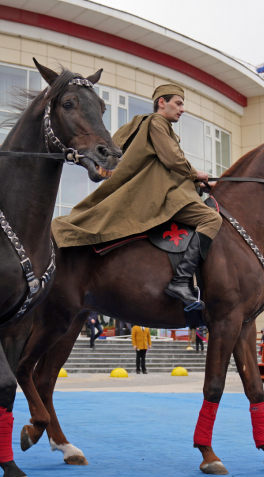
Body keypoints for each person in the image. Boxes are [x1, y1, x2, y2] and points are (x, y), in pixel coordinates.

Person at [52, 84, 223, 310]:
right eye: (178, 103)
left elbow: (165, 169)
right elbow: (172, 160)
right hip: (167, 198)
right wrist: (195, 173)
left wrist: (199, 183)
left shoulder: (158, 127)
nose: (182, 109)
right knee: (212, 219)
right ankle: (181, 281)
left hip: (168, 192)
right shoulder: (157, 122)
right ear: (162, 102)